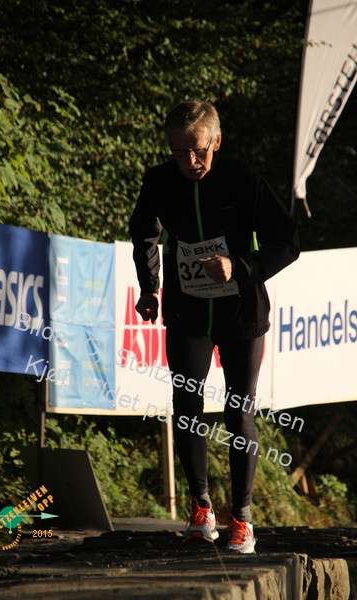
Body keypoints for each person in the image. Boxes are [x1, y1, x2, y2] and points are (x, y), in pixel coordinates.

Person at [129, 100, 299, 552]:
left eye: (199, 150)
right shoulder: (159, 181)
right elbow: (144, 231)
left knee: (238, 410)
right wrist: (149, 287)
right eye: (179, 152)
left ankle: (241, 518)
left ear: (216, 141)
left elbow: (287, 241)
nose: (190, 161)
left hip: (240, 312)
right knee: (186, 405)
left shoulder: (242, 179)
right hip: (188, 311)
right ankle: (201, 508)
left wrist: (238, 266)